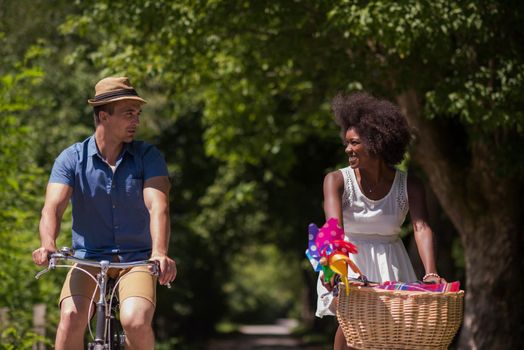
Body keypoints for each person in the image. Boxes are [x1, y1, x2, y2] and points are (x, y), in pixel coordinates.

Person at [32, 76, 177, 350]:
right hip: (88, 258)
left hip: (135, 260)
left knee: (134, 321)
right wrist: (48, 244)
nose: (136, 121)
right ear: (103, 116)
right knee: (72, 317)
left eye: (138, 114)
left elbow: (158, 205)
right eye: (128, 114)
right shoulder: (71, 159)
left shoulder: (148, 156)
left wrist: (159, 251)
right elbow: (53, 207)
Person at [317, 92, 445, 350]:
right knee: (352, 323)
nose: (347, 149)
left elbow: (421, 227)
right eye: (346, 142)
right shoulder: (337, 180)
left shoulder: (410, 184)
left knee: (392, 336)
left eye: (354, 143)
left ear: (376, 142)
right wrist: (334, 267)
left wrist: (431, 272)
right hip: (349, 259)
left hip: (392, 261)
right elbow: (334, 229)